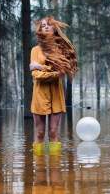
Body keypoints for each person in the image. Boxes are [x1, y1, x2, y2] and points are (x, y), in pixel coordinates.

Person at [30, 16, 77, 152]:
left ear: (55, 28)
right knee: (39, 133)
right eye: (43, 25)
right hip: (39, 95)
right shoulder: (35, 50)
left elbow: (63, 71)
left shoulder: (61, 50)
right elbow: (36, 75)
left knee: (53, 132)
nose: (45, 26)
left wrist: (40, 67)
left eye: (49, 25)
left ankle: (55, 167)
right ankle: (38, 169)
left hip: (56, 94)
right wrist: (53, 72)